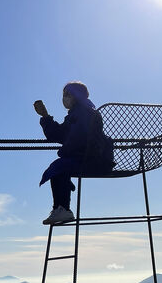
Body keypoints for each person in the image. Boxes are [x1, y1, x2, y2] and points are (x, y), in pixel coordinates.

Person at [34, 81, 114, 224]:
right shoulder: (79, 113)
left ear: (76, 96)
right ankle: (61, 208)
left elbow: (77, 139)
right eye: (64, 95)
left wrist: (64, 153)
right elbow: (60, 135)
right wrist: (45, 116)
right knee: (59, 166)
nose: (64, 98)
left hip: (93, 161)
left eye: (67, 94)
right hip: (93, 159)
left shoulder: (83, 113)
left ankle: (63, 209)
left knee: (59, 166)